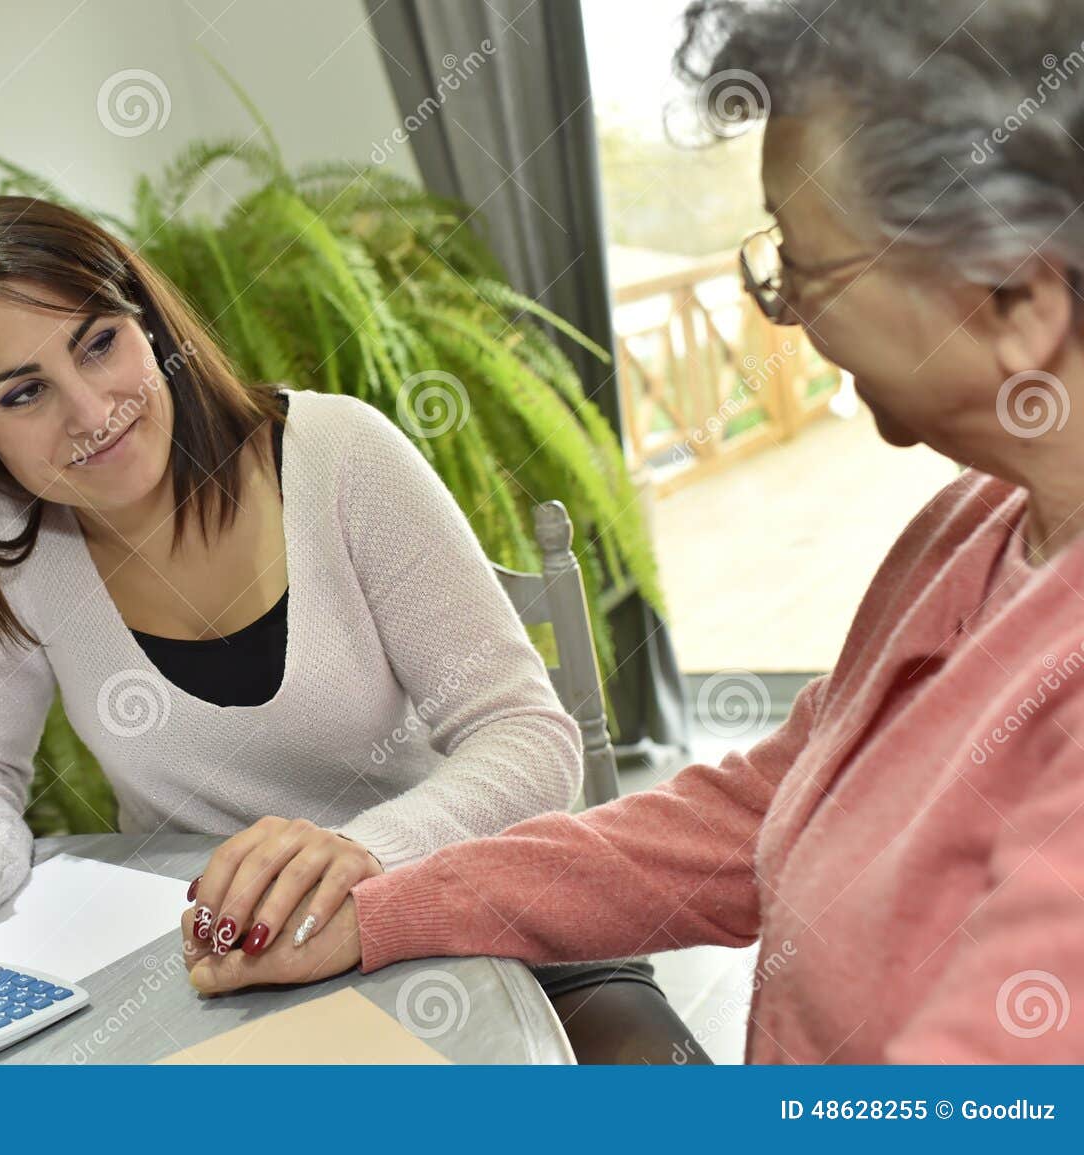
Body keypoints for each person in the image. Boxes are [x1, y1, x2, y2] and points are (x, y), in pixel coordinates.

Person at [186, 0, 1084, 1063]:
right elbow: (757, 811)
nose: (781, 310)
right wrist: (379, 910)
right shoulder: (969, 523)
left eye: (803, 271)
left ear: (1017, 297)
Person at [0, 194, 699, 1059]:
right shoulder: (15, 546)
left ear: (149, 324)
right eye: (24, 393)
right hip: (237, 992)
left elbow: (529, 737)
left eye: (100, 341)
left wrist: (361, 854)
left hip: (490, 925)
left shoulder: (339, 455)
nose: (92, 411)